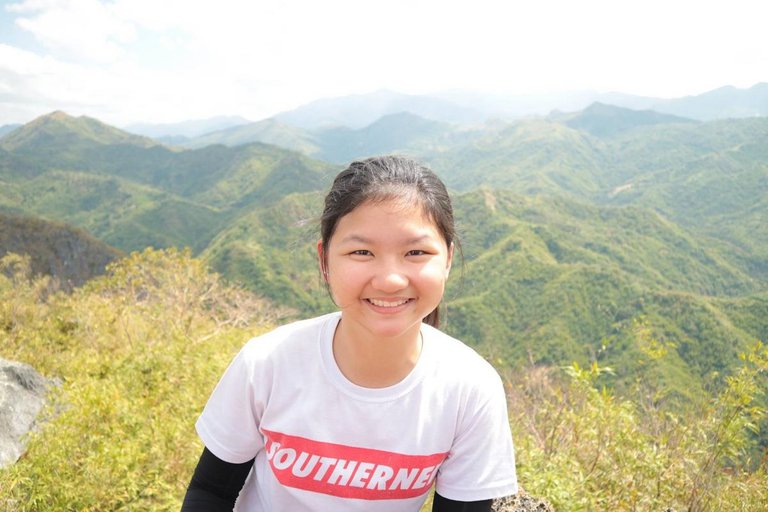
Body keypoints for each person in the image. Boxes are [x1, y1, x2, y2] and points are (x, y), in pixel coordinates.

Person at [181, 155, 518, 511]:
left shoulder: (469, 389)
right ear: (325, 260)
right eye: (362, 252)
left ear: (447, 259)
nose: (390, 280)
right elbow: (211, 492)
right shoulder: (267, 363)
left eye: (416, 252)